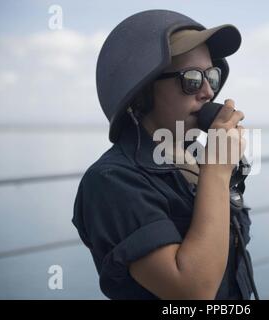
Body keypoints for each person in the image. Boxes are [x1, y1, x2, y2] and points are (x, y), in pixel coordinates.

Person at [72, 9, 256, 300]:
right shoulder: (112, 181)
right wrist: (217, 172)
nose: (208, 91)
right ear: (143, 91)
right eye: (192, 79)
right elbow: (193, 291)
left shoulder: (194, 161)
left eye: (212, 76)